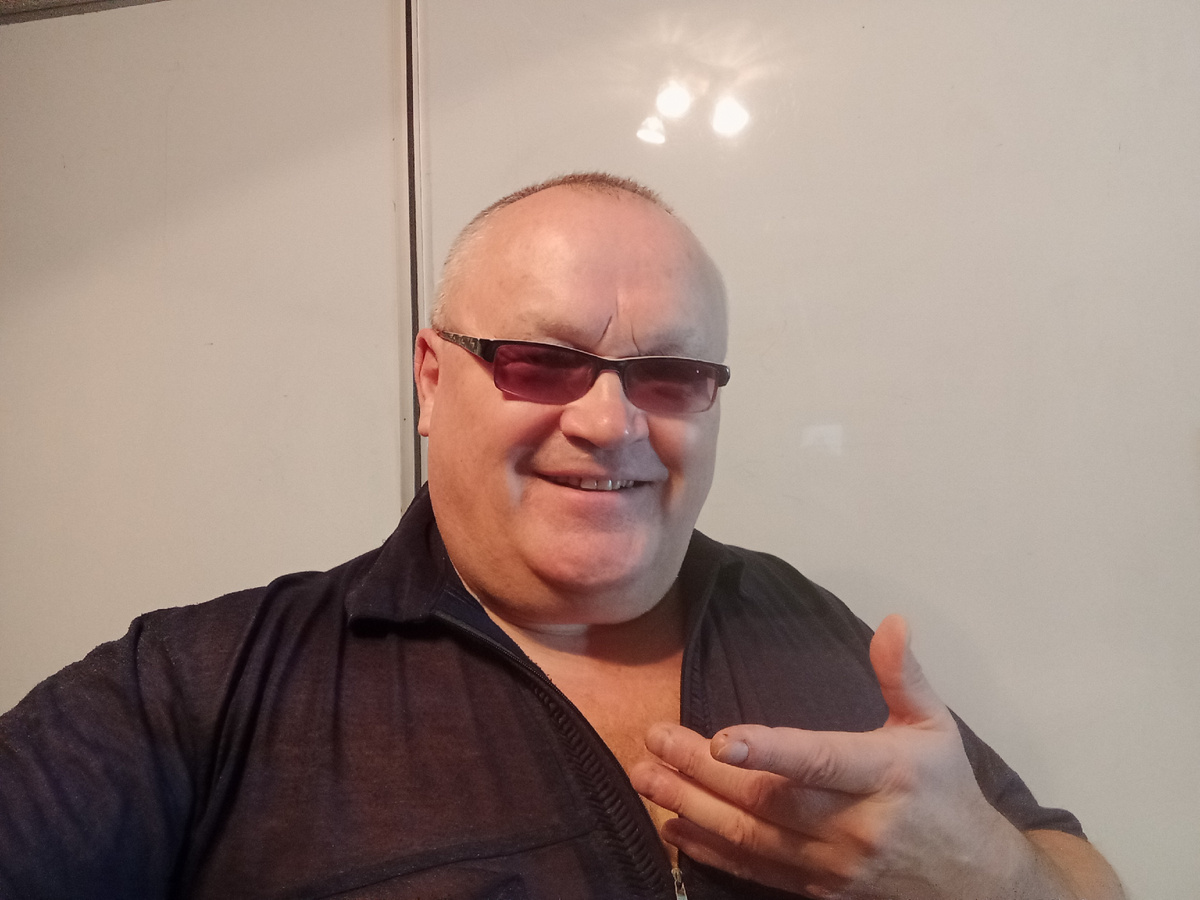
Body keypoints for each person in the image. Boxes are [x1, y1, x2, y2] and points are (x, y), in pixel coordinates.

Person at [0, 173, 1124, 900]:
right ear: (432, 379)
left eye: (668, 372)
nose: (609, 422)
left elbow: (1078, 870)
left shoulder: (811, 625)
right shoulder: (200, 688)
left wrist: (993, 877)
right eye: (541, 363)